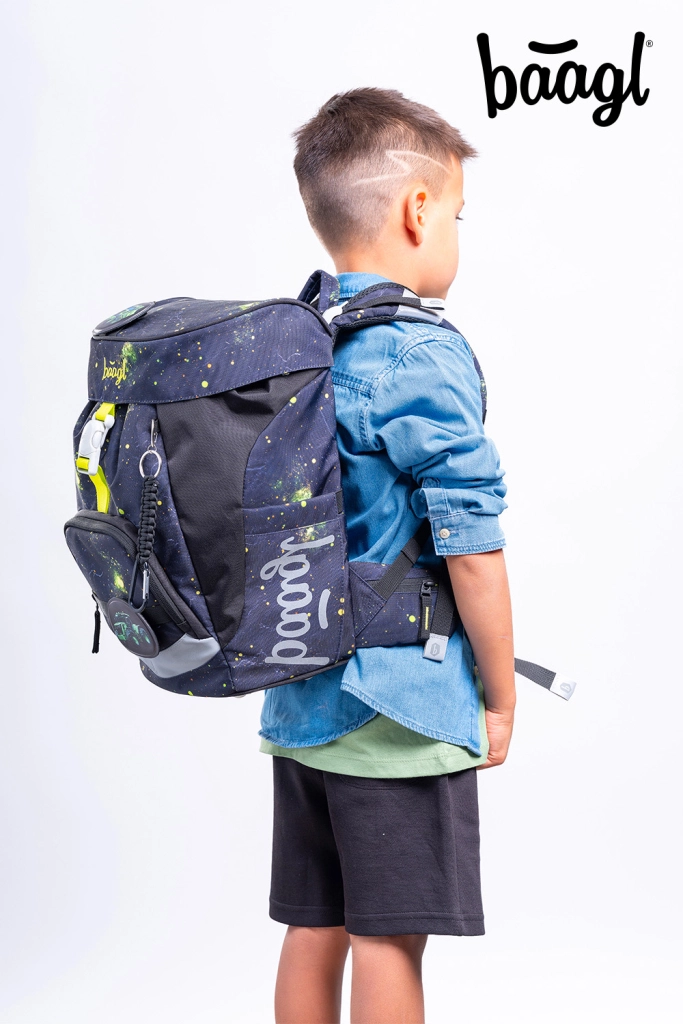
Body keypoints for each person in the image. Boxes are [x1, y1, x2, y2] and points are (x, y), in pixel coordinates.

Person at [258, 87, 515, 1024]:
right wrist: (499, 696)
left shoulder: (292, 345)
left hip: (299, 689)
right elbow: (472, 548)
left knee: (314, 925)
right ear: (417, 209)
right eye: (456, 215)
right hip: (400, 705)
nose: (454, 234)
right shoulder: (417, 355)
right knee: (388, 939)